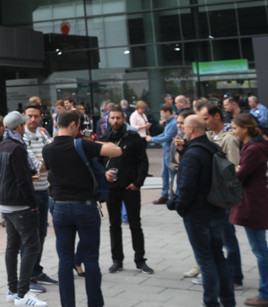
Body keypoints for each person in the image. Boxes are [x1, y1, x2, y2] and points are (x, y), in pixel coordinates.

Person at [44, 110, 123, 307]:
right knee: (90, 259)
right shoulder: (81, 144)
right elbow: (116, 151)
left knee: (64, 261)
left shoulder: (48, 149)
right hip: (84, 207)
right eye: (78, 125)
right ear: (73, 125)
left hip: (60, 208)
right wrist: (95, 144)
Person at [168, 115, 235, 307]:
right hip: (216, 210)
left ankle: (210, 302)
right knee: (218, 256)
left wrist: (179, 206)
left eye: (184, 126)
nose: (181, 130)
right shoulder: (212, 147)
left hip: (197, 214)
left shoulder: (193, 154)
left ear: (191, 129)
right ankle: (228, 300)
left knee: (205, 260)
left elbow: (186, 187)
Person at [0, 111, 45, 306]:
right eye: (22, 125)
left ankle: (12, 289)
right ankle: (23, 294)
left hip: (5, 203)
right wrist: (33, 204)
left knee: (12, 246)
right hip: (20, 204)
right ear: (19, 128)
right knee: (32, 246)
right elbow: (23, 179)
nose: (24, 127)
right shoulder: (17, 148)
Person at [230, 113, 268, 307]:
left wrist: (236, 170)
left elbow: (240, 176)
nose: (233, 132)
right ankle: (267, 293)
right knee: (260, 248)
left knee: (260, 250)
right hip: (257, 199)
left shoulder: (252, 149)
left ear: (245, 128)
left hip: (254, 202)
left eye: (234, 128)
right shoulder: (257, 145)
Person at [98, 107, 152, 274]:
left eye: (118, 118)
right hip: (112, 188)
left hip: (130, 187)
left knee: (135, 224)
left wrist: (137, 183)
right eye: (112, 118)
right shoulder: (104, 139)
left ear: (124, 119)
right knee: (114, 225)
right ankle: (117, 260)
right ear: (108, 120)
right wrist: (104, 173)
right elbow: (97, 162)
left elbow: (143, 162)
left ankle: (140, 260)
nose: (115, 121)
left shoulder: (133, 138)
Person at [198, 102, 245, 288]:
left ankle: (235, 277)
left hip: (222, 197)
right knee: (214, 239)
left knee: (228, 238)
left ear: (217, 116)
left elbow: (232, 170)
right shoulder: (208, 136)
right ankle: (220, 274)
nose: (205, 122)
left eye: (206, 118)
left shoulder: (229, 139)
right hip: (210, 196)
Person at [23, 103, 57, 287]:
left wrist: (47, 162)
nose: (33, 119)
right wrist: (49, 162)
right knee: (29, 237)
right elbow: (37, 165)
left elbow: (52, 158)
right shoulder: (23, 137)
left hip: (44, 191)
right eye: (29, 116)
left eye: (36, 116)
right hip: (30, 194)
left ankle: (36, 271)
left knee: (41, 234)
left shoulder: (43, 134)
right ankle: (27, 277)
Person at [149, 104, 178, 205]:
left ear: (167, 112)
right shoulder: (169, 123)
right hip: (166, 152)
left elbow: (167, 137)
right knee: (165, 174)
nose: (161, 115)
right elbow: (164, 135)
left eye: (162, 112)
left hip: (170, 153)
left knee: (170, 175)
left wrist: (151, 139)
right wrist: (152, 138)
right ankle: (165, 195)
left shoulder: (173, 123)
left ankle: (172, 195)